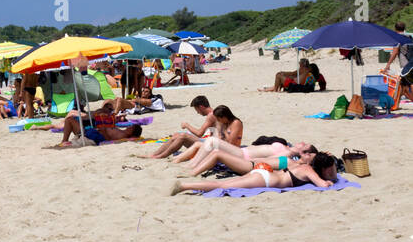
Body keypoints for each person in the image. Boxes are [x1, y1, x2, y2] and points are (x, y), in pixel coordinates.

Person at [171, 152, 339, 195]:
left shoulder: (299, 165)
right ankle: (184, 186)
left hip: (263, 171)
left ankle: (187, 184)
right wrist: (331, 181)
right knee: (221, 185)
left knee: (226, 184)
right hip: (265, 179)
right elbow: (324, 185)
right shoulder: (308, 171)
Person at [183, 140, 317, 177]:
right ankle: (190, 165)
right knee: (209, 144)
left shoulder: (287, 155)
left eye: (305, 145)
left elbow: (269, 159)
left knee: (212, 142)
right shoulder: (287, 147)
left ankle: (191, 166)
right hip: (244, 151)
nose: (302, 142)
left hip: (244, 156)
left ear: (304, 151)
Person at [145, 96, 220, 158]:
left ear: (201, 107)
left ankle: (161, 156)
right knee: (177, 135)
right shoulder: (213, 114)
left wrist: (187, 125)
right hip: (211, 142)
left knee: (183, 136)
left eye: (197, 110)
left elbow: (199, 133)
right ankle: (155, 154)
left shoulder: (211, 115)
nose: (197, 112)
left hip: (214, 146)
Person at [386, 22, 413, 105]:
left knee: (403, 84)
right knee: (406, 83)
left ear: (395, 29)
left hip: (405, 65)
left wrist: (388, 65)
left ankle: (395, 103)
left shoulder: (397, 38)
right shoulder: (410, 37)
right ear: (404, 28)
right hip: (411, 63)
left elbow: (394, 52)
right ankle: (396, 102)